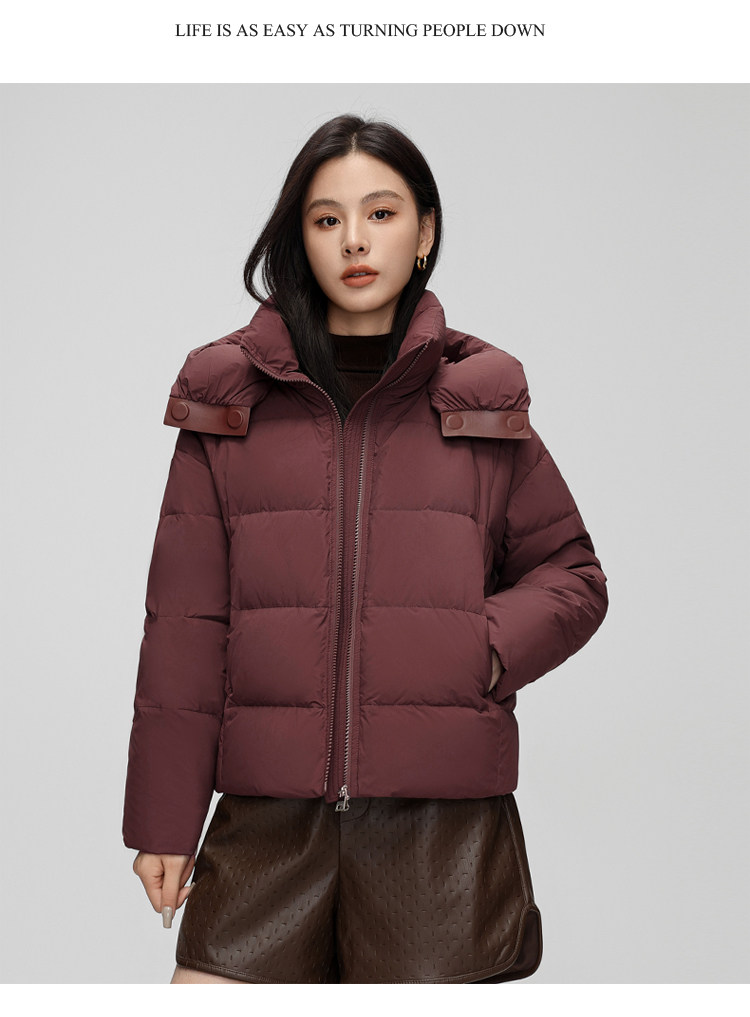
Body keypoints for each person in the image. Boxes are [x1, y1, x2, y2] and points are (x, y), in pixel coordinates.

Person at [122, 114, 608, 984]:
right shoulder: (228, 405)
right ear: (299, 239)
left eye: (381, 213)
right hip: (268, 820)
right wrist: (164, 820)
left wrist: (479, 648)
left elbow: (573, 575)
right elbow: (185, 628)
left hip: (438, 832)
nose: (354, 239)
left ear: (424, 232)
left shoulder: (480, 403)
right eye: (326, 218)